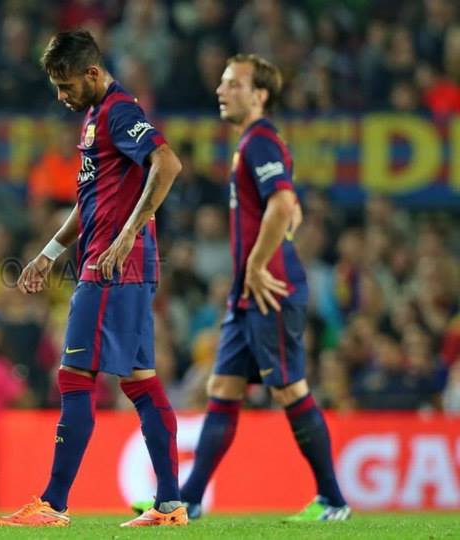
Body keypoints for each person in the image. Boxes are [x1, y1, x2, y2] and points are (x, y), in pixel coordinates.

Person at [0, 30, 186, 528]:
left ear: (93, 73)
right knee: (140, 381)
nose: (62, 96)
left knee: (74, 376)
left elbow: (167, 163)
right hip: (121, 264)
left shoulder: (118, 111)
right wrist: (49, 254)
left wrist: (126, 235)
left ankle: (53, 504)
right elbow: (91, 202)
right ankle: (170, 505)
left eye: (67, 85)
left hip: (111, 267)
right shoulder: (96, 117)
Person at [176, 53, 350, 522]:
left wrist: (256, 263)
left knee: (289, 389)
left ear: (260, 95)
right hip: (247, 293)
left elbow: (284, 203)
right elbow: (290, 208)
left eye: (233, 83)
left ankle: (333, 500)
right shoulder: (254, 144)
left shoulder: (260, 140)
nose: (221, 90)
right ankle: (187, 500)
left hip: (270, 288)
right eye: (222, 82)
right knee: (222, 386)